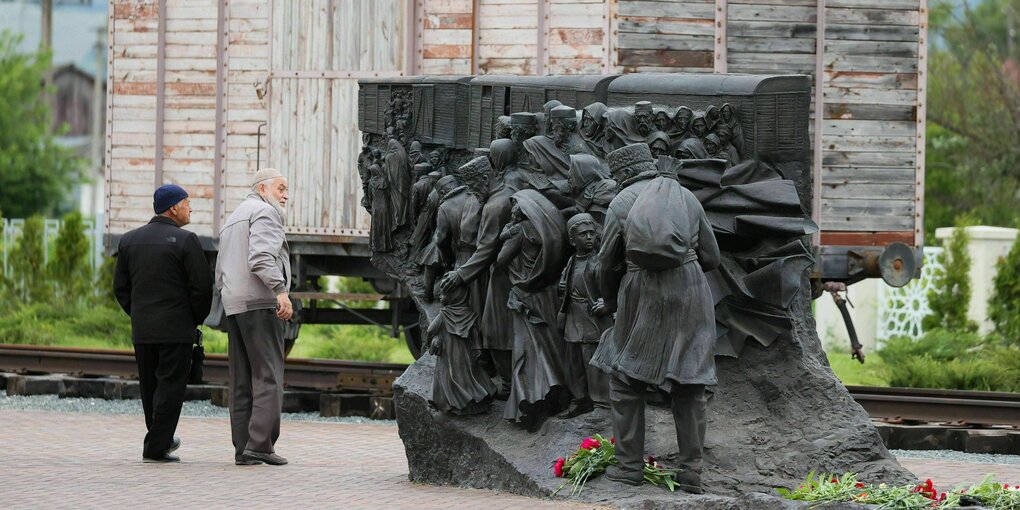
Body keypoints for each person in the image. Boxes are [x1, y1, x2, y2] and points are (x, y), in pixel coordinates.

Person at [591, 144, 721, 494]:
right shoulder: (686, 197)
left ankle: (629, 467)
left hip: (641, 292)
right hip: (691, 289)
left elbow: (605, 262)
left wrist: (609, 301)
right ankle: (692, 472)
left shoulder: (619, 203)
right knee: (690, 383)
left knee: (624, 381)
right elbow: (712, 256)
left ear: (622, 173)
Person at [114, 184, 212, 463]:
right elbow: (202, 288)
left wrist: (139, 313)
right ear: (173, 207)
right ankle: (156, 447)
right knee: (170, 388)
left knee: (150, 388)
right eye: (187, 202)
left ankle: (162, 439)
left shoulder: (129, 241)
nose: (190, 208)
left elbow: (121, 287)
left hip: (143, 330)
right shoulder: (186, 241)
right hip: (176, 330)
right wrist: (193, 318)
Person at [216, 167, 293, 467]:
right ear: (262, 189)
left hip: (234, 304)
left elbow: (220, 270)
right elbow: (261, 257)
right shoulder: (265, 213)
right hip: (260, 303)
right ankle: (260, 444)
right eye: (280, 188)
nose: (285, 195)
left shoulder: (233, 217)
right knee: (268, 375)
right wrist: (280, 290)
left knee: (241, 380)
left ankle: (243, 449)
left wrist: (228, 297)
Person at [556, 213, 612, 416]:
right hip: (574, 317)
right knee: (574, 362)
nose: (589, 237)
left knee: (593, 364)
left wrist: (607, 303)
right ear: (572, 240)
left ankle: (601, 404)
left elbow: (611, 289)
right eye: (583, 234)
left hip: (592, 320)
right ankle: (580, 399)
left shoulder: (599, 262)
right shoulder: (572, 261)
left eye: (591, 233)